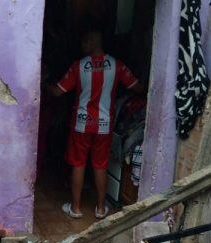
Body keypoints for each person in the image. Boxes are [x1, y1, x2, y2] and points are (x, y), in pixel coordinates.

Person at [49, 30, 144, 219]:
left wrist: (45, 83)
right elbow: (139, 88)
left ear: (92, 42)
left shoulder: (79, 66)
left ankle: (76, 209)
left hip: (81, 124)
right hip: (104, 124)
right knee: (100, 165)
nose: (82, 45)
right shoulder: (117, 65)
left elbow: (57, 92)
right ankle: (100, 209)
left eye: (85, 41)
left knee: (79, 164)